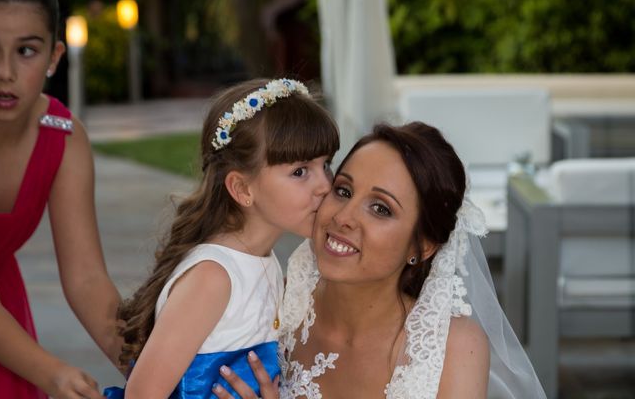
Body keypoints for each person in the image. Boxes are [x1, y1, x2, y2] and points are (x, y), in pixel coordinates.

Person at [214, 122, 546, 398]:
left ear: (423, 245)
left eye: (381, 208)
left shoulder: (453, 348)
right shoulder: (276, 308)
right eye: (343, 190)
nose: (343, 217)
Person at [104, 78, 339, 399]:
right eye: (300, 171)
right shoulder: (213, 277)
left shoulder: (263, 261)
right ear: (242, 189)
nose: (325, 185)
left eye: (326, 165)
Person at [0, 0, 122, 399]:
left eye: (25, 51)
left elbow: (87, 279)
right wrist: (48, 370)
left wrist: (153, 364)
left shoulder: (63, 138)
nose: (3, 71)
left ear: (53, 57)